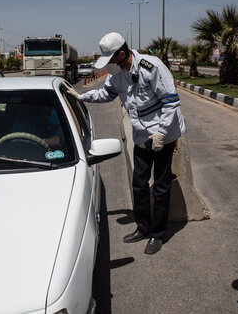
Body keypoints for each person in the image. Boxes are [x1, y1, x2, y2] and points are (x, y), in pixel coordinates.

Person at [67, 32, 185, 254]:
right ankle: (143, 227)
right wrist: (82, 96)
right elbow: (107, 94)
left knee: (160, 185)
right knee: (139, 183)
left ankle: (157, 235)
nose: (109, 64)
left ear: (122, 53)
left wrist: (161, 134)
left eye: (111, 58)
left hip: (164, 134)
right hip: (141, 135)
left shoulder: (152, 67)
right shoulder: (117, 73)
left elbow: (171, 102)